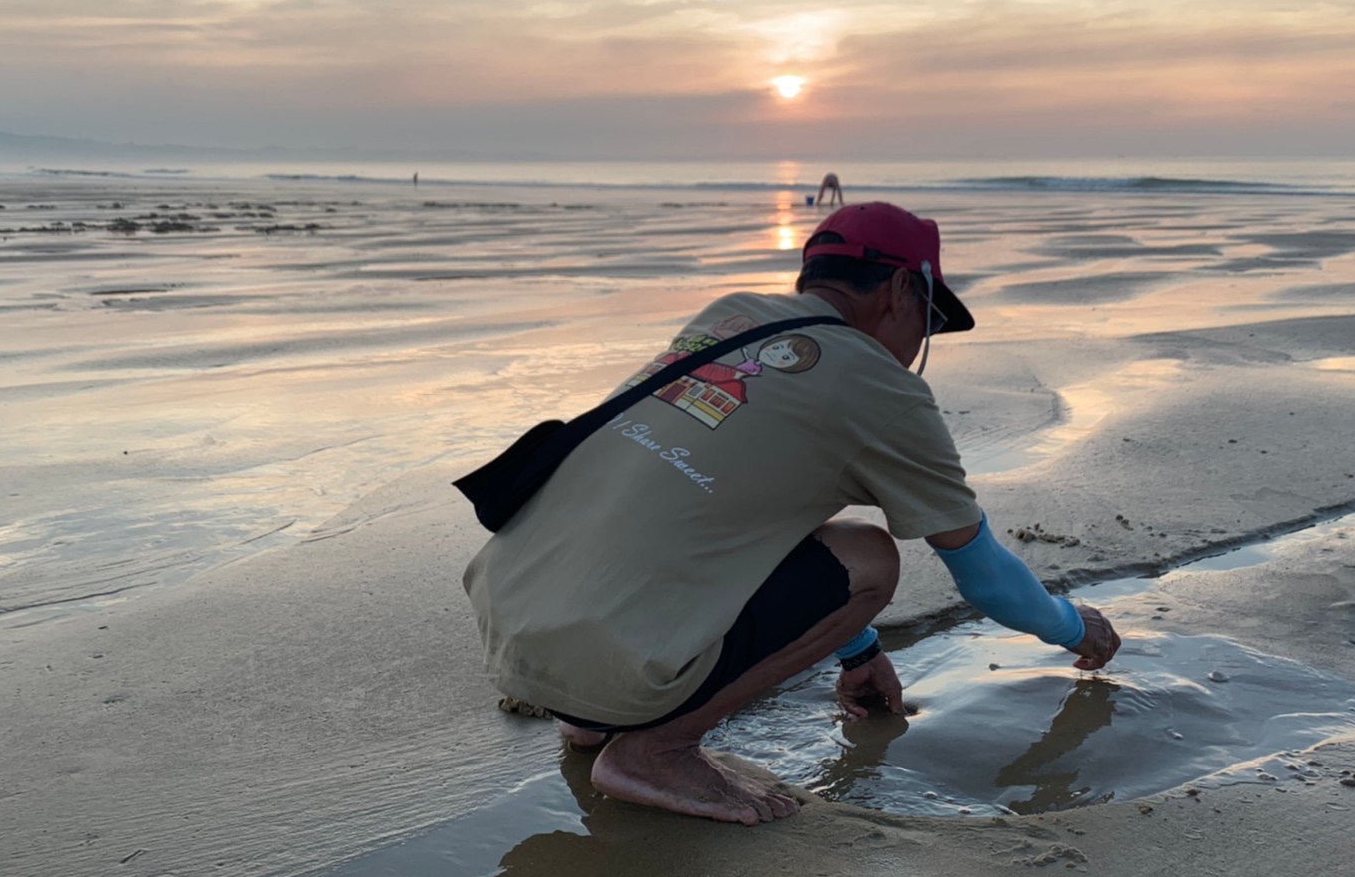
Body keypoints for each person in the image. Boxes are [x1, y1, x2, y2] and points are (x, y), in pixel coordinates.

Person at [463, 202, 1121, 826]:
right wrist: (1074, 627)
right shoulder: (886, 391)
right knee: (871, 556)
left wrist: (858, 651)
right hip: (608, 662)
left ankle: (590, 716)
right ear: (899, 290)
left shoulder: (731, 314)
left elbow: (756, 511)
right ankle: (655, 752)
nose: (924, 336)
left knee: (706, 508)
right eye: (930, 317)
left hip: (508, 621)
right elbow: (983, 577)